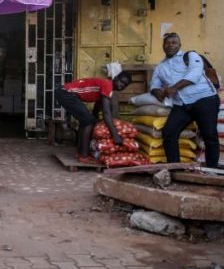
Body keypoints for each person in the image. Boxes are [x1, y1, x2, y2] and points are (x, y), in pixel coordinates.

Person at [150, 32, 220, 168]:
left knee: (209, 135)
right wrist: (157, 92)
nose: (170, 45)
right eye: (167, 43)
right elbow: (154, 84)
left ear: (179, 45)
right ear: (163, 46)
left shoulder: (190, 56)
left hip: (204, 99)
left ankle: (212, 169)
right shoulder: (160, 67)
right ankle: (175, 167)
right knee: (169, 132)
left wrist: (174, 88)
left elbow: (194, 74)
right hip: (182, 104)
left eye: (174, 43)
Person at [54, 72, 133, 164]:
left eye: (125, 85)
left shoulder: (106, 89)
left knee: (87, 121)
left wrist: (97, 124)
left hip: (65, 93)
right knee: (88, 121)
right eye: (121, 82)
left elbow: (96, 111)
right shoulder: (107, 85)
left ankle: (81, 153)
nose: (122, 85)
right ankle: (83, 156)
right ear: (115, 78)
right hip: (66, 93)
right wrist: (115, 135)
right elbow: (106, 113)